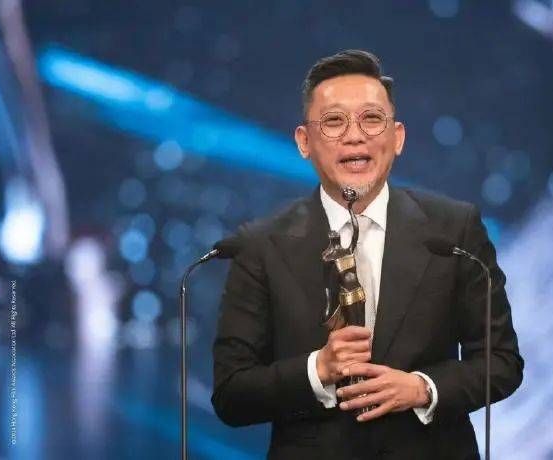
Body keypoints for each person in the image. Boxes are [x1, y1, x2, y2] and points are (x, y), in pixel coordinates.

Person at [211, 49, 524, 460]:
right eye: (334, 122)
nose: (354, 136)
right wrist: (318, 369)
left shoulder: (454, 229)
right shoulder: (260, 245)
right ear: (304, 142)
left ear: (398, 138)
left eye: (371, 119)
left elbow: (501, 362)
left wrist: (422, 388)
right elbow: (232, 393)